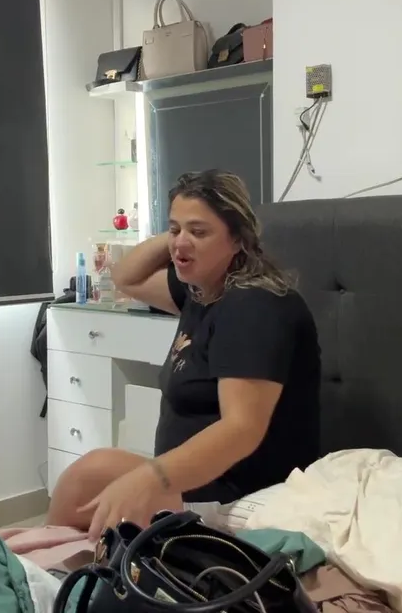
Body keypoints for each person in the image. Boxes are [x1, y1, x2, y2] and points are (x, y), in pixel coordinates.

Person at [47, 170, 322, 539]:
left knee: (88, 477)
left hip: (238, 492)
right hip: (195, 482)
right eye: (174, 229)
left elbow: (242, 429)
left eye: (200, 231)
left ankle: (45, 565)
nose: (180, 243)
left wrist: (151, 478)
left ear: (238, 239)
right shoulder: (203, 291)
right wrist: (184, 233)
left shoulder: (256, 307)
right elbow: (125, 277)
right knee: (85, 487)